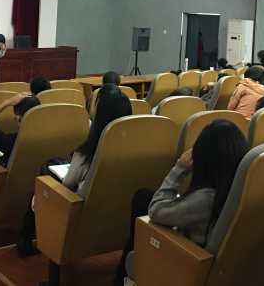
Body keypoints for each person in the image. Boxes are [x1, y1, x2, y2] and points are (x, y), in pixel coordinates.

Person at [117, 120, 249, 285]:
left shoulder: (206, 199)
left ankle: (125, 278)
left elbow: (155, 210)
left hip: (185, 261)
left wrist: (179, 168)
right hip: (218, 267)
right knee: (143, 197)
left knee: (143, 204)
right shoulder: (241, 190)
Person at [64, 85, 131, 197]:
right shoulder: (135, 151)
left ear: (98, 118)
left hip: (82, 206)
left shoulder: (86, 154)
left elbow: (67, 184)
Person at [0, 93, 40, 166]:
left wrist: (6, 103)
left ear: (18, 118)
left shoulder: (11, 143)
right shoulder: (46, 135)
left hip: (3, 169)